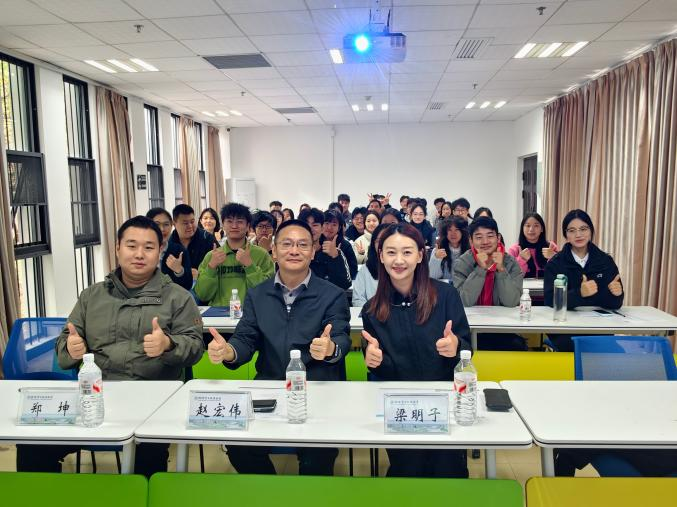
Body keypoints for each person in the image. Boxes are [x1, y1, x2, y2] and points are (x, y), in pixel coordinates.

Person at [16, 216, 204, 477]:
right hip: (95, 398)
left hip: (152, 403)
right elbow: (66, 340)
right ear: (117, 248)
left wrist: (168, 344)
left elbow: (195, 347)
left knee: (147, 458)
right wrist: (71, 348)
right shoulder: (92, 296)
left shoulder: (177, 298)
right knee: (33, 445)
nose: (139, 254)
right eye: (131, 246)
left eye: (149, 247)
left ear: (160, 250)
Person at [207, 219, 351, 475]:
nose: (294, 250)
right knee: (239, 445)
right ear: (273, 251)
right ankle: (269, 488)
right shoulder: (258, 295)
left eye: (302, 245)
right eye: (286, 244)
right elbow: (246, 337)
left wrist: (330, 348)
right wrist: (230, 351)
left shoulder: (332, 295)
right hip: (270, 388)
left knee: (318, 456)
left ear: (313, 251)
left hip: (317, 391)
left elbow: (341, 337)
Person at [361, 223, 471, 477]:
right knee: (407, 472)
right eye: (391, 252)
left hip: (443, 400)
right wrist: (376, 360)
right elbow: (384, 371)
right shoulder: (372, 310)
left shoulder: (446, 295)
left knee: (448, 472)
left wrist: (456, 346)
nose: (399, 260)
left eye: (407, 252)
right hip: (401, 405)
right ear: (381, 256)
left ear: (421, 255)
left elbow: (467, 348)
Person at [544, 209, 624, 352]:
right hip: (565, 329)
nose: (578, 235)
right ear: (566, 235)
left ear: (591, 231)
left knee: (616, 353)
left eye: (583, 229)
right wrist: (579, 294)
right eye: (572, 230)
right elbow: (550, 300)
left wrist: (617, 294)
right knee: (578, 352)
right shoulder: (555, 263)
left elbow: (615, 305)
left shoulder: (605, 261)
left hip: (599, 328)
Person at [453, 216, 525, 350]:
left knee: (517, 347)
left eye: (490, 236)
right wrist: (480, 269)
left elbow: (512, 302)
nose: (485, 242)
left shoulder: (510, 263)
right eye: (479, 237)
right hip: (469, 328)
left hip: (503, 328)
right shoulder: (462, 263)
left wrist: (501, 269)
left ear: (498, 238)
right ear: (471, 240)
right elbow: (464, 301)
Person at [195, 203, 275, 306]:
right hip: (218, 314)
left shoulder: (261, 255)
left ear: (248, 226)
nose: (234, 226)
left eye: (240, 221)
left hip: (252, 312)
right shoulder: (211, 256)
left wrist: (250, 266)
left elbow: (267, 293)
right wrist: (211, 267)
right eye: (229, 221)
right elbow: (202, 295)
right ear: (223, 225)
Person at [298, 208, 352, 290]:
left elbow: (345, 284)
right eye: (306, 224)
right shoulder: (293, 253)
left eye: (315, 225)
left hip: (326, 297)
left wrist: (335, 258)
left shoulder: (334, 252)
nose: (310, 228)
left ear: (322, 228)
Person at [147, 208, 193, 290]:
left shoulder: (179, 251)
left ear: (172, 226)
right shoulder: (141, 252)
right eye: (157, 224)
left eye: (166, 224)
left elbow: (188, 285)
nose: (162, 229)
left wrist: (179, 271)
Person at [170, 204, 218, 279]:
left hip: (204, 284)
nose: (190, 226)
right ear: (174, 224)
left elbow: (220, 268)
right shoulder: (169, 243)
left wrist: (200, 274)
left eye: (192, 222)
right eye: (185, 223)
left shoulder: (207, 239)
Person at [508, 213, 559, 279]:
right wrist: (521, 259)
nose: (531, 229)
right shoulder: (514, 250)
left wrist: (554, 257)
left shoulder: (551, 247)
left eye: (536, 226)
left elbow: (561, 274)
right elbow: (511, 277)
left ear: (542, 229)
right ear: (522, 228)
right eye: (528, 226)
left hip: (547, 285)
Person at [352, 223, 389, 307]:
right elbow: (357, 299)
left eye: (387, 239)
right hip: (371, 312)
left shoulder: (402, 268)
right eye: (379, 240)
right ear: (373, 243)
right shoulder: (366, 269)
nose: (382, 244)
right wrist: (372, 311)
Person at [429, 217, 471, 281]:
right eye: (449, 230)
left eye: (457, 230)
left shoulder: (469, 251)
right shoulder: (438, 250)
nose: (453, 233)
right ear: (445, 232)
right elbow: (432, 277)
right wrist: (436, 258)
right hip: (445, 286)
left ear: (462, 232)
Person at [323, 209, 358, 279]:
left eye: (334, 224)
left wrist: (337, 257)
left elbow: (353, 271)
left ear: (339, 228)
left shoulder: (345, 245)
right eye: (326, 223)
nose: (329, 227)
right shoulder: (316, 243)